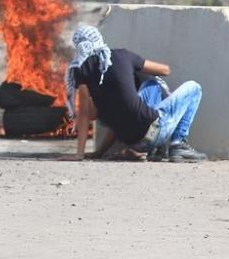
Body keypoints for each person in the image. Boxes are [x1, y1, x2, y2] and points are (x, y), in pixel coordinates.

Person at [65, 25, 207, 163]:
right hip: (156, 133)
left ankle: (154, 149)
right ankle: (178, 144)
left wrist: (85, 154)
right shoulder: (122, 55)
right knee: (192, 87)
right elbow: (165, 70)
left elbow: (85, 113)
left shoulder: (80, 70)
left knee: (149, 86)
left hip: (134, 144)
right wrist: (134, 66)